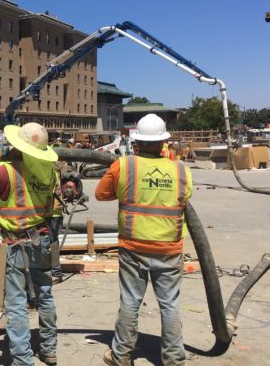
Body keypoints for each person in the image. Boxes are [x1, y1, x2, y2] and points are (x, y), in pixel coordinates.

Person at [95, 114, 193, 366]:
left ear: (136, 141)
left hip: (133, 247)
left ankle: (122, 355)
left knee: (130, 301)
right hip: (169, 249)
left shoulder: (124, 166)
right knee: (170, 304)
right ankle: (174, 359)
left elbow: (101, 194)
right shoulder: (181, 170)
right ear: (163, 142)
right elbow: (185, 197)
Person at [0, 122, 59, 366]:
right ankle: (49, 349)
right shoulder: (50, 170)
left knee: (16, 304)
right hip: (42, 239)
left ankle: (23, 359)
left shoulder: (6, 171)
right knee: (45, 295)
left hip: (16, 244)